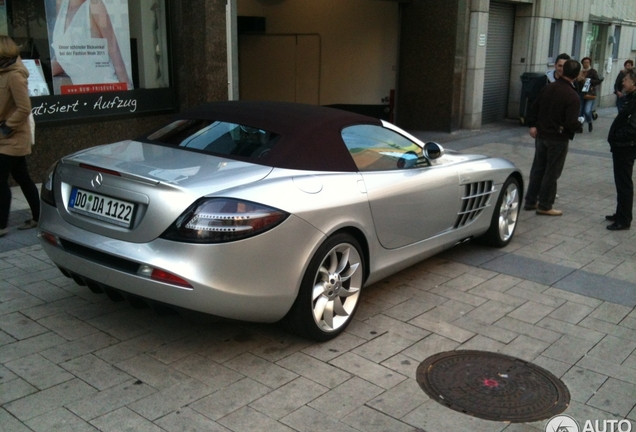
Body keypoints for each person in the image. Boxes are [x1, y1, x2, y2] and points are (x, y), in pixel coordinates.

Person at [524, 59, 583, 216]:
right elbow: (571, 121)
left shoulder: (548, 87)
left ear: (563, 71)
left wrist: (533, 124)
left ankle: (530, 201)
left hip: (542, 135)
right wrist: (579, 126)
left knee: (538, 168)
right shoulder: (572, 95)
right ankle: (545, 205)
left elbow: (534, 106)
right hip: (558, 137)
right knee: (552, 172)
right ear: (576, 75)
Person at [0, 36, 40, 237]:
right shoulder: (3, 72)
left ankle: (1, 224)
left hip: (12, 137)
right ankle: (38, 216)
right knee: (22, 177)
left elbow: (24, 108)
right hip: (6, 138)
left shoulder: (14, 75)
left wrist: (6, 127)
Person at [50, 0, 132, 88]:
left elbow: (115, 54)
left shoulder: (95, 5)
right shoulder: (62, 5)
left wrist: (128, 93)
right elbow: (64, 60)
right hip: (81, 93)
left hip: (106, 89)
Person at [605, 69, 636, 231]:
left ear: (634, 83)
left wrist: (617, 136)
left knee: (624, 183)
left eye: (626, 80)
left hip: (626, 147)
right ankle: (620, 213)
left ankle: (624, 219)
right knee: (621, 182)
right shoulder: (629, 98)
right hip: (622, 147)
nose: (623, 82)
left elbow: (633, 128)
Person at [577, 57, 603, 132]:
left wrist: (589, 80)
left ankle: (589, 122)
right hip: (581, 93)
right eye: (585, 62)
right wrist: (579, 80)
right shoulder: (580, 72)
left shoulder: (592, 71)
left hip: (590, 93)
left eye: (588, 62)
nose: (586, 64)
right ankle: (580, 126)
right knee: (580, 111)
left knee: (587, 110)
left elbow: (598, 80)